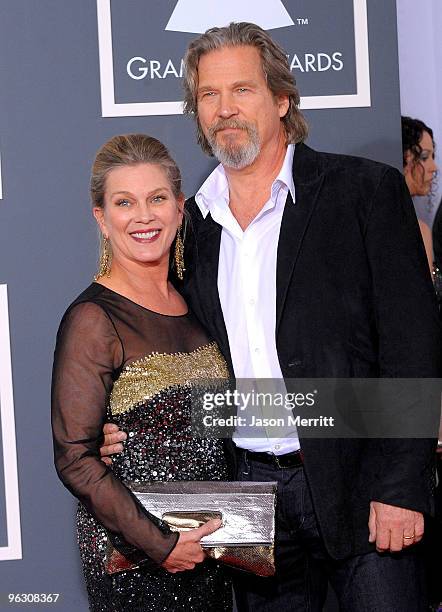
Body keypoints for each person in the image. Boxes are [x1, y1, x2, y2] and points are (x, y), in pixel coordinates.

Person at [101, 23, 441, 612]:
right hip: (249, 497)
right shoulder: (190, 227)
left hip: (361, 483)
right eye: (209, 95)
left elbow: (414, 344)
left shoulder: (363, 193)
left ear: (281, 98)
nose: (225, 110)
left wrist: (401, 485)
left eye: (242, 90)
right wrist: (121, 427)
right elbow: (173, 354)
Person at [51, 134, 233, 612]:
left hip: (213, 541)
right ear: (102, 218)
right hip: (136, 556)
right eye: (124, 202)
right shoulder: (94, 319)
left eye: (156, 198)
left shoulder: (195, 299)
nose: (144, 216)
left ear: (179, 207)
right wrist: (160, 544)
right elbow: (75, 457)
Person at [401, 115, 438, 271]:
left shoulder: (421, 229)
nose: (434, 167)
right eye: (424, 157)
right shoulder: (418, 231)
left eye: (432, 156)